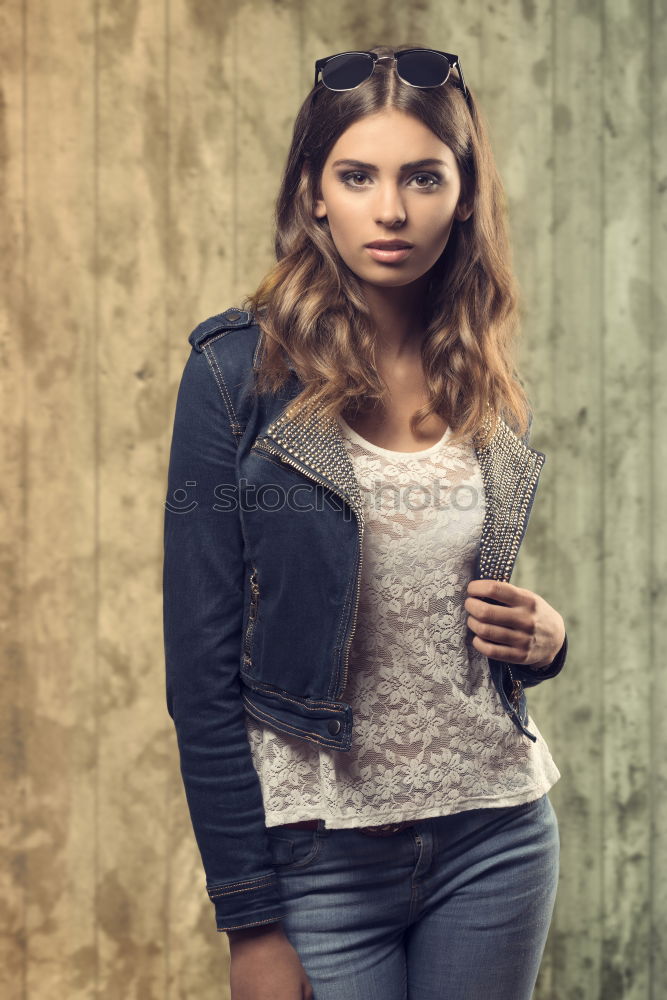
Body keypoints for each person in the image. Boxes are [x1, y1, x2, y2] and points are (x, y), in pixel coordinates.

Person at [162, 42, 569, 1000]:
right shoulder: (232, 377)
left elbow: (443, 609)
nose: (390, 211)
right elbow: (201, 672)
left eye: (423, 178)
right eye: (358, 176)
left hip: (497, 836)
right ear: (314, 193)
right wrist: (248, 919)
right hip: (322, 860)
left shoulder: (482, 374)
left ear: (463, 194)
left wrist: (545, 642)